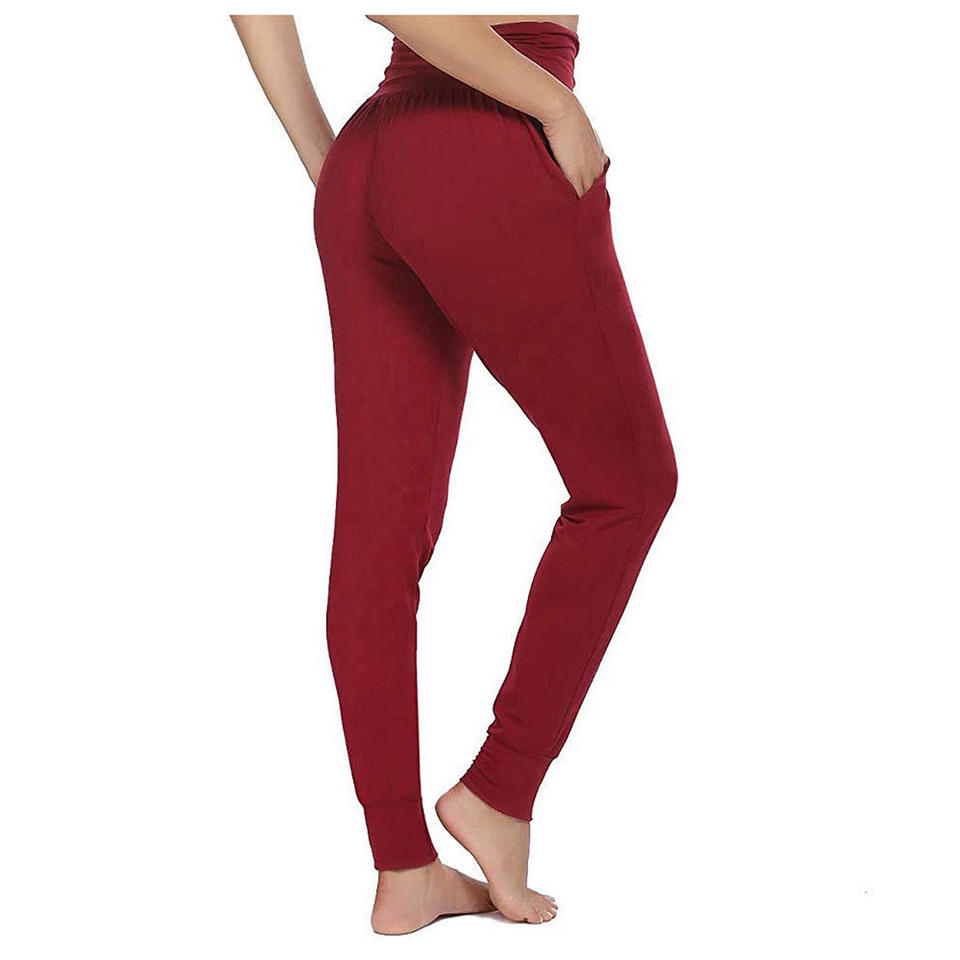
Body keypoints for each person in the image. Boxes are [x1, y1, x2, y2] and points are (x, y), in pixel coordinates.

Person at [232, 14, 677, 935]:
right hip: (491, 133)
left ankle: (404, 868)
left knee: (380, 535)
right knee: (629, 483)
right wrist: (554, 105)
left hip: (373, 159)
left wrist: (330, 161)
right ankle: (499, 790)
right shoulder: (528, 108)